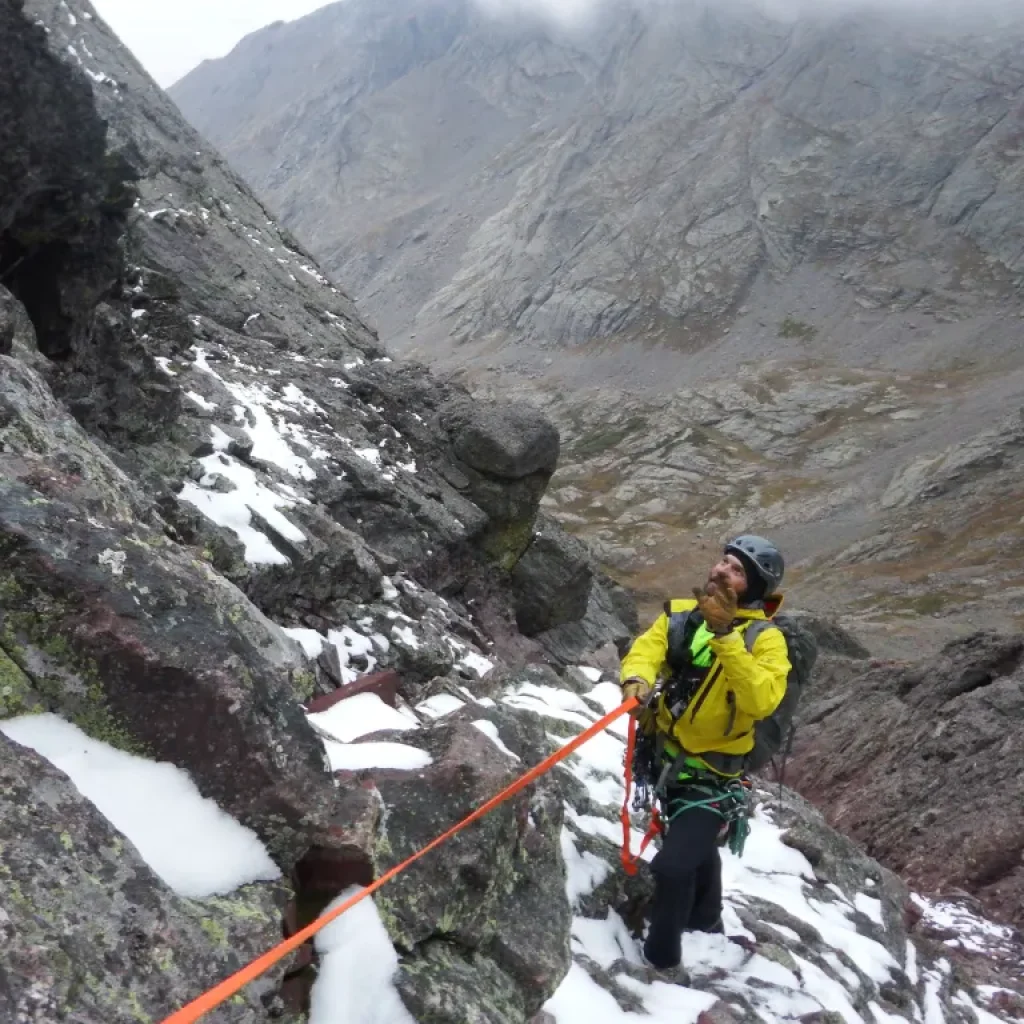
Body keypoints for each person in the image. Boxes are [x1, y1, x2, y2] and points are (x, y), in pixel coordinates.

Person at [619, 535, 791, 973]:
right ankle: (705, 919)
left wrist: (724, 636)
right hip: (665, 761)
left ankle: (660, 958)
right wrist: (636, 680)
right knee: (692, 845)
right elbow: (648, 649)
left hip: (713, 777)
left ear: (753, 588)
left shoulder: (765, 640)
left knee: (673, 868)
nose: (720, 571)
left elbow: (761, 699)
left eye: (736, 570)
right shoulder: (682, 615)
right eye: (723, 562)